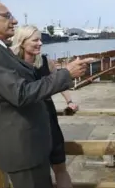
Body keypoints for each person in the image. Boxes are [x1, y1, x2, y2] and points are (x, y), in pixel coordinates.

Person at [0, 0, 91, 188]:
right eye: (7, 16)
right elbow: (21, 93)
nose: (15, 20)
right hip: (24, 149)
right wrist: (66, 74)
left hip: (31, 146)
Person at [11, 25, 81, 188]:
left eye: (40, 39)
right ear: (22, 42)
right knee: (35, 173)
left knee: (60, 168)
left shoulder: (45, 61)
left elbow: (60, 82)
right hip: (27, 123)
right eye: (35, 40)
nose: (40, 43)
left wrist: (69, 101)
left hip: (49, 120)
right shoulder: (13, 64)